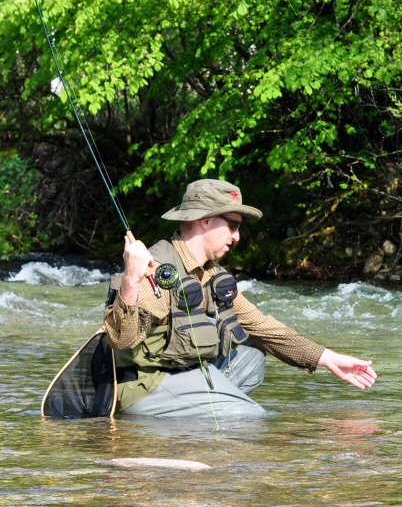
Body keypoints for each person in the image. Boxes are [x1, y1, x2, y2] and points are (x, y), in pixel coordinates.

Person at [102, 178, 377, 418]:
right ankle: (209, 414)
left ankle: (197, 418)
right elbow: (121, 340)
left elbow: (262, 327)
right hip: (144, 386)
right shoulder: (159, 269)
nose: (237, 236)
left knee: (251, 356)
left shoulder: (211, 273)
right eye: (232, 225)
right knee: (247, 417)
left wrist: (327, 358)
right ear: (205, 220)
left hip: (181, 371)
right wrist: (130, 281)